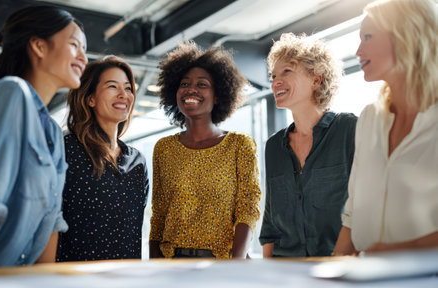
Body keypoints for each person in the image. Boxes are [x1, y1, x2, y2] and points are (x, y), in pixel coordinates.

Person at [334, 0, 438, 255]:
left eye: (368, 37)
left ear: (407, 36)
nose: (358, 50)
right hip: (367, 278)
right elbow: (352, 215)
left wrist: (393, 252)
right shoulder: (369, 119)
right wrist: (333, 268)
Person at [0, 5, 87, 266]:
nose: (84, 59)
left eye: (85, 51)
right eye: (75, 45)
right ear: (39, 47)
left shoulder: (54, 132)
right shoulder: (12, 93)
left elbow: (51, 224)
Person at [149, 42, 261, 259]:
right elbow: (159, 215)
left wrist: (234, 263)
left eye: (202, 84)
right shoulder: (164, 148)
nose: (191, 89)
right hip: (173, 265)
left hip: (224, 263)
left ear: (218, 96)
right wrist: (155, 266)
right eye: (184, 84)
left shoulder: (239, 145)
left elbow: (248, 208)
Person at [259, 33, 357, 257]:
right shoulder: (273, 146)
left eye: (287, 71)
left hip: (337, 269)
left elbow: (363, 207)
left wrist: (336, 266)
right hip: (284, 272)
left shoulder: (348, 130)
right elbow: (270, 223)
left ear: (316, 79)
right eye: (273, 76)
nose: (275, 82)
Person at [57, 56, 149, 261]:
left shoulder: (138, 161)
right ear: (90, 99)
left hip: (127, 278)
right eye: (112, 86)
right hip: (74, 278)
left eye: (127, 88)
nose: (123, 95)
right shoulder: (66, 151)